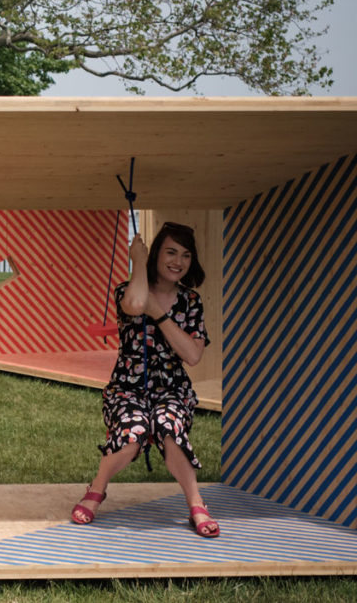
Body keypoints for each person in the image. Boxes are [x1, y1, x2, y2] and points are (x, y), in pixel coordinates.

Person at [71, 221, 219, 537]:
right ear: (155, 255)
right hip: (127, 388)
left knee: (169, 427)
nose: (178, 262)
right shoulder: (128, 289)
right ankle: (97, 488)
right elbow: (137, 305)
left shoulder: (190, 302)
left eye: (185, 255)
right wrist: (138, 259)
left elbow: (192, 356)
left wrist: (160, 315)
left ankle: (196, 502)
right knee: (131, 433)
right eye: (170, 252)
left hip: (172, 389)